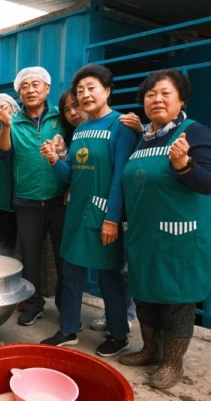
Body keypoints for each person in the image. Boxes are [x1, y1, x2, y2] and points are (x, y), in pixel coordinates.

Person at [119, 69, 211, 388]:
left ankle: (172, 362)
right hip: (144, 234)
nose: (156, 99)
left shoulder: (194, 132)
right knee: (145, 295)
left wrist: (184, 165)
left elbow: (208, 183)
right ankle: (150, 349)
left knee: (176, 300)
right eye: (150, 94)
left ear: (181, 99)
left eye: (165, 93)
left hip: (179, 236)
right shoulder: (143, 136)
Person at [40, 63, 137, 358]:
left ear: (107, 90)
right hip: (77, 213)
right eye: (80, 90)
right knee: (70, 273)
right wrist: (55, 161)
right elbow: (72, 176)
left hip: (103, 213)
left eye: (91, 88)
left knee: (110, 277)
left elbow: (121, 175)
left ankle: (118, 334)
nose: (84, 95)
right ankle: (69, 329)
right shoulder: (80, 128)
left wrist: (111, 218)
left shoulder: (121, 126)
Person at [0, 67, 67, 325]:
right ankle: (35, 304)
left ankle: (65, 307)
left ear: (47, 89)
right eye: (24, 86)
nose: (30, 90)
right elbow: (3, 154)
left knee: (63, 257)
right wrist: (4, 127)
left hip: (60, 200)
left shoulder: (62, 117)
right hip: (26, 200)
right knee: (31, 257)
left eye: (36, 84)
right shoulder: (12, 121)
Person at [0, 94, 20, 257]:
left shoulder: (24, 128)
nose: (0, 111)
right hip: (4, 197)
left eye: (4, 107)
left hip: (26, 196)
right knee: (6, 243)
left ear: (14, 107)